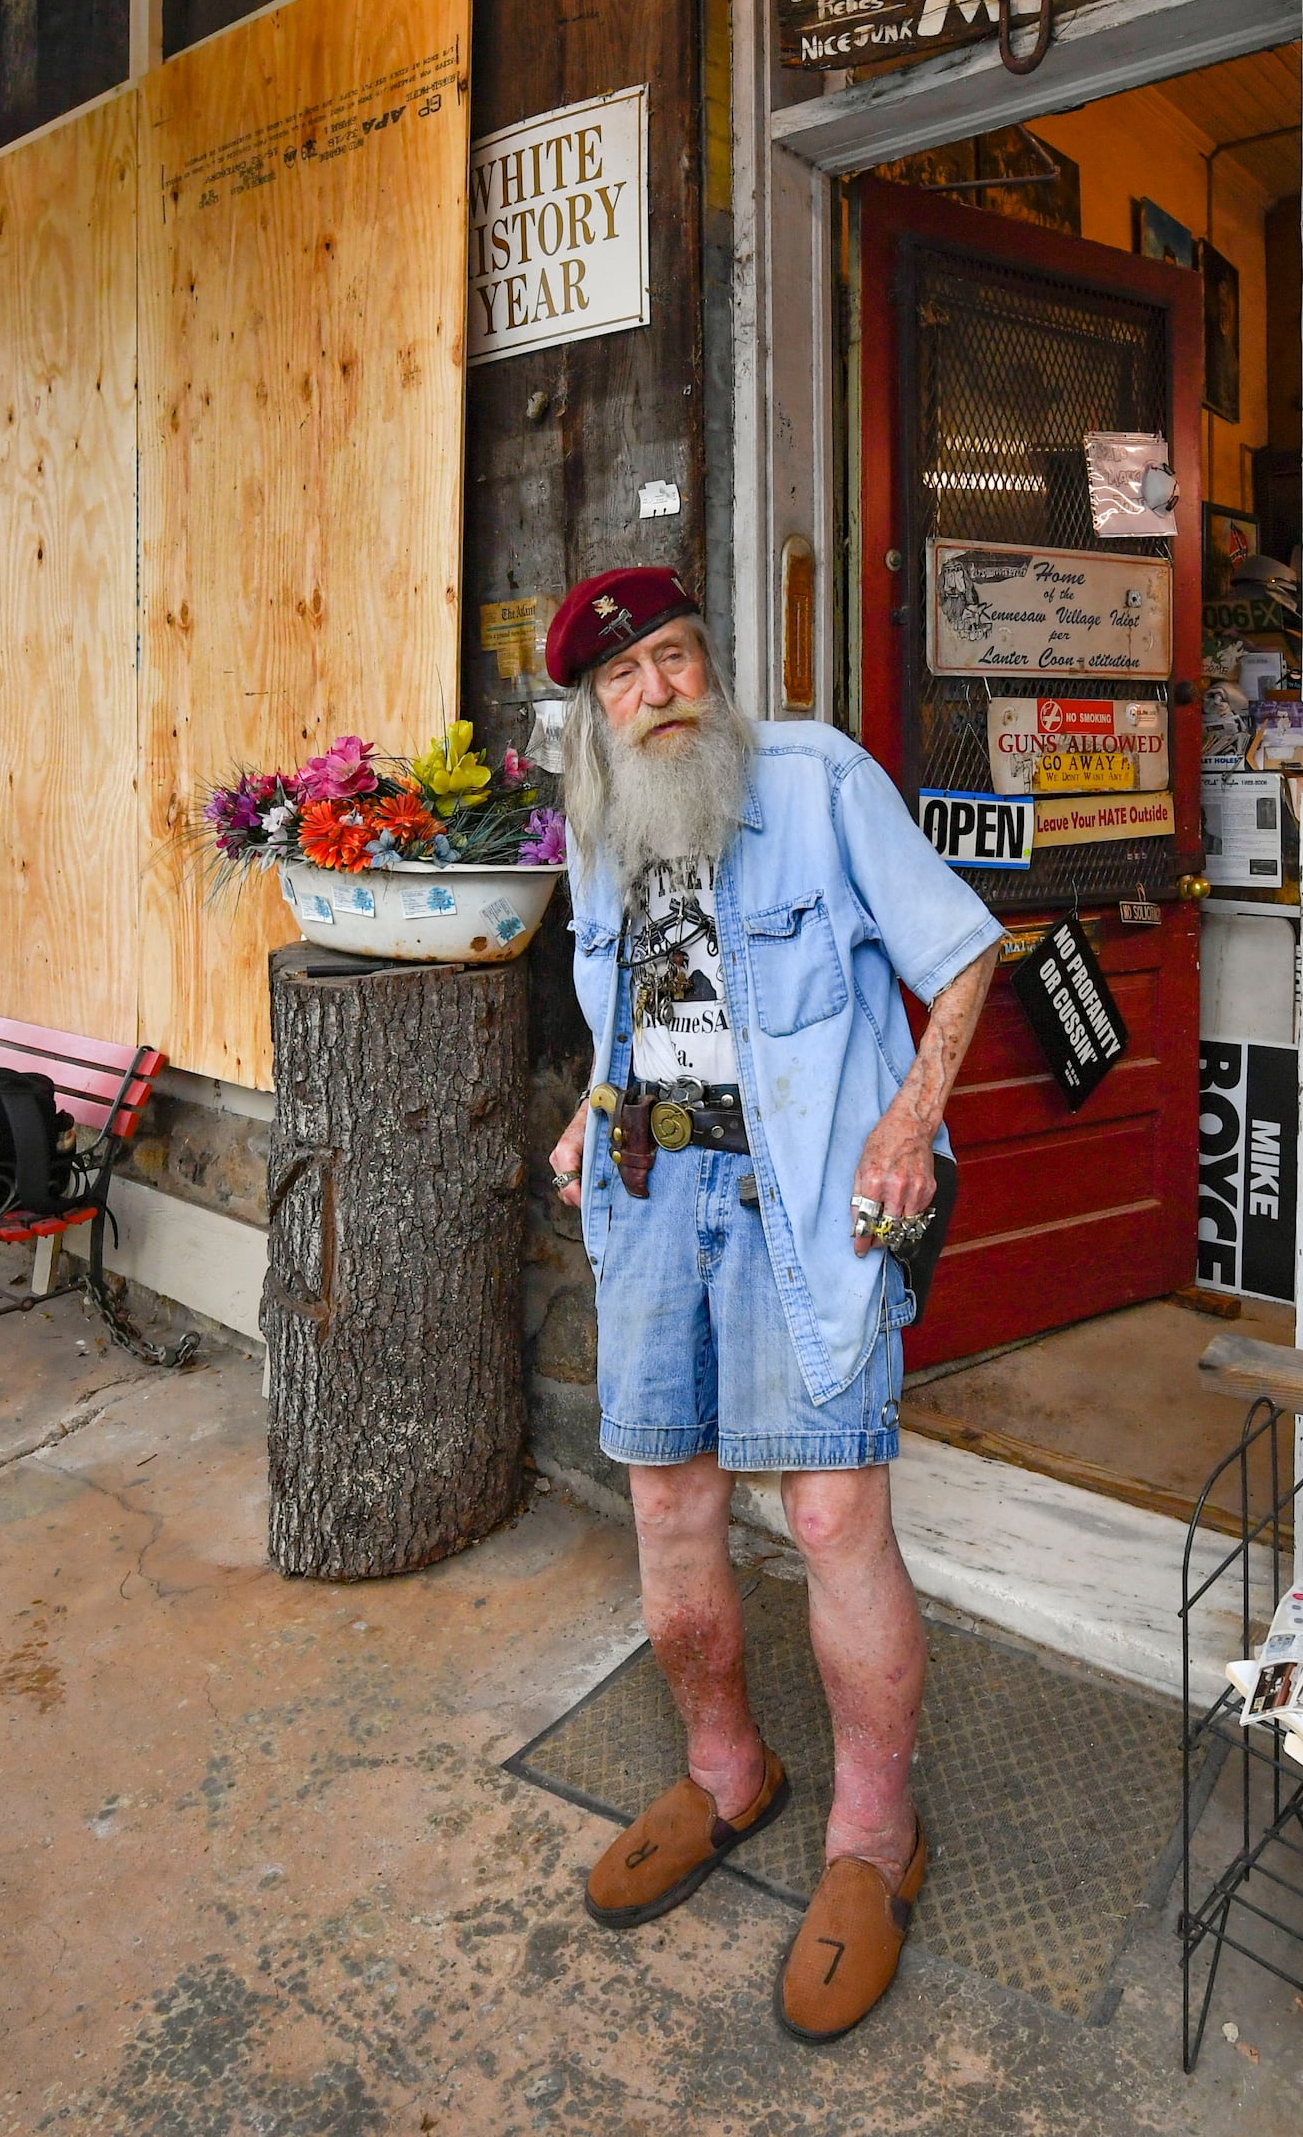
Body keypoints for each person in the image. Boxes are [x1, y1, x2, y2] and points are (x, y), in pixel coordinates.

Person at [545, 564, 1002, 2041]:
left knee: (826, 1517)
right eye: (623, 679)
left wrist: (906, 1121)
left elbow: (967, 952)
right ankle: (728, 1770)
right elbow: (626, 1015)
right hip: (647, 1199)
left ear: (711, 668)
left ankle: (875, 1837)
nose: (657, 691)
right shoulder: (598, 832)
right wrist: (589, 1110)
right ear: (592, 716)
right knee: (668, 1507)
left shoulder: (817, 783)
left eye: (676, 658)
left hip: (801, 1195)